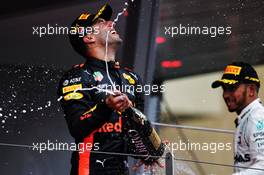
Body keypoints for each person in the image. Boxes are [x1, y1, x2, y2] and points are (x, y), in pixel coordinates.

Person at [57, 4, 145, 175]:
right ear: (88, 38)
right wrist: (106, 105)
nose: (111, 23)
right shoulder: (77, 76)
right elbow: (77, 127)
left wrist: (151, 148)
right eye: (100, 22)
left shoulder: (132, 78)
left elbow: (135, 134)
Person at [211, 62, 264, 175]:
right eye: (224, 89)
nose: (226, 95)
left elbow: (262, 167)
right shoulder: (248, 116)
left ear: (251, 90)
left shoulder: (257, 118)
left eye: (232, 88)